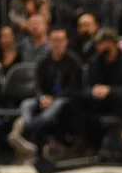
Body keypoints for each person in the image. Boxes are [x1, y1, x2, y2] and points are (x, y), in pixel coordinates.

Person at [8, 27, 83, 158]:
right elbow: (37, 85)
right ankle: (22, 134)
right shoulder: (43, 62)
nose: (57, 44)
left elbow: (73, 88)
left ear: (66, 42)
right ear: (49, 41)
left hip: (64, 99)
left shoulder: (74, 62)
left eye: (60, 40)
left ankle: (24, 132)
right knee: (26, 104)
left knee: (54, 108)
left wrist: (52, 98)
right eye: (54, 40)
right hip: (44, 98)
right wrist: (42, 97)